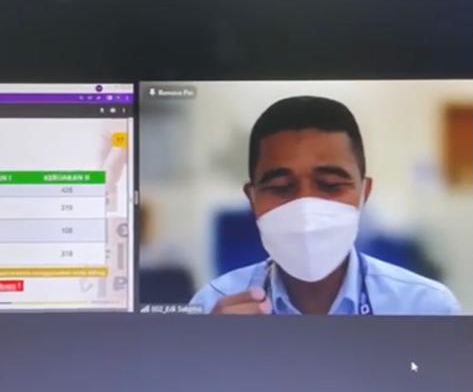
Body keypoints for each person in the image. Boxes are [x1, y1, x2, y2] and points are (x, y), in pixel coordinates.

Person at [191, 96, 460, 315]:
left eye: (330, 185)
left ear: (364, 193)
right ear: (252, 198)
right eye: (281, 187)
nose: (305, 209)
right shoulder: (213, 306)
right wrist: (217, 348)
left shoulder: (426, 307)